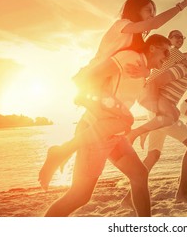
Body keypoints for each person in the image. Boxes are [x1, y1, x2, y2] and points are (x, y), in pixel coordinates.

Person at [39, 0, 187, 191]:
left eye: (154, 11)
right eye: (149, 10)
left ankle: (65, 154)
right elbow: (152, 26)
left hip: (102, 86)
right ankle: (61, 152)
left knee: (112, 124)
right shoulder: (122, 25)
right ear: (135, 10)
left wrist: (146, 70)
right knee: (124, 119)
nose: (152, 16)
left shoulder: (136, 41)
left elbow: (145, 60)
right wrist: (182, 5)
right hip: (92, 81)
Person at [43, 34, 172, 217]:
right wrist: (115, 108)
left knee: (139, 175)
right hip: (96, 130)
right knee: (79, 196)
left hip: (113, 133)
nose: (167, 57)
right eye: (165, 51)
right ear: (152, 48)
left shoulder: (142, 70)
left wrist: (147, 78)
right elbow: (93, 78)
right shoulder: (131, 57)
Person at [121, 44, 187, 207]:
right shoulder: (182, 69)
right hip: (164, 114)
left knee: (153, 156)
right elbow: (154, 83)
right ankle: (182, 192)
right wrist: (158, 111)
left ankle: (129, 199)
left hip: (161, 114)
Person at [125, 29, 187, 147]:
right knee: (174, 115)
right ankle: (137, 132)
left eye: (182, 37)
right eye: (177, 37)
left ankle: (144, 130)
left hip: (152, 85)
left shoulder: (175, 55)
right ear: (169, 39)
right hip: (151, 87)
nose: (180, 39)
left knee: (171, 116)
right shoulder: (173, 52)